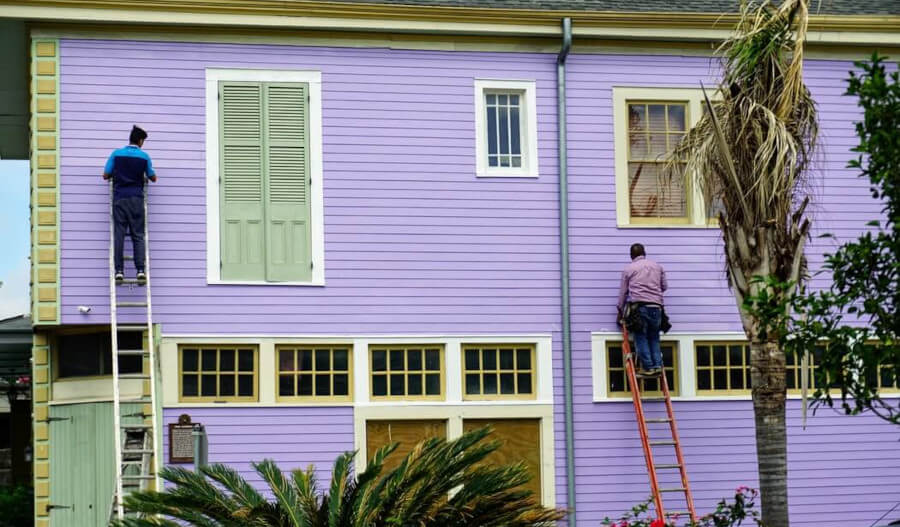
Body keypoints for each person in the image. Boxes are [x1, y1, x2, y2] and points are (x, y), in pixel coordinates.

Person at [103, 125, 157, 285]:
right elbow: (152, 177)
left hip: (119, 198)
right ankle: (140, 270)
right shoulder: (144, 156)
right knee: (138, 235)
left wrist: (118, 174)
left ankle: (119, 271)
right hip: (136, 199)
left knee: (119, 235)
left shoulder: (116, 154)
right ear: (140, 141)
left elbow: (105, 175)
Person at [617, 243, 668, 377]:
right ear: (644, 253)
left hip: (639, 307)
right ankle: (657, 365)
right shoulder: (657, 267)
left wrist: (620, 311)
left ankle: (649, 367)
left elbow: (623, 292)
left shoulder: (629, 269)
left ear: (631, 255)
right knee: (654, 337)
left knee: (641, 337)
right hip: (657, 308)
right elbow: (664, 287)